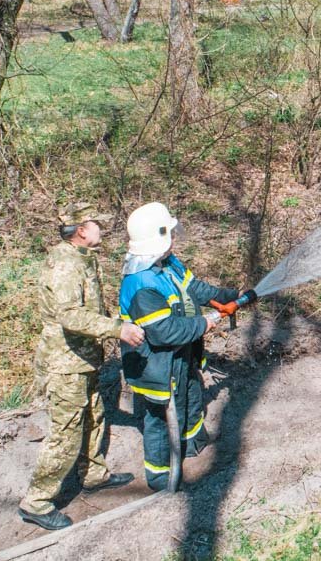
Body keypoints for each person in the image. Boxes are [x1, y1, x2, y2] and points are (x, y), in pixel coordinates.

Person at [19, 203, 146, 531]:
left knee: (93, 414)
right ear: (81, 231)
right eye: (95, 223)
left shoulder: (81, 257)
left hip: (83, 359)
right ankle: (36, 501)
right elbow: (70, 315)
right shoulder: (65, 265)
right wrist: (118, 329)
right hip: (65, 364)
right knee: (66, 432)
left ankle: (93, 474)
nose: (101, 228)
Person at [119, 202, 250, 491]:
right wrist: (204, 324)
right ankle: (160, 476)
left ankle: (193, 444)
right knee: (161, 419)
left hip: (181, 355)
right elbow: (163, 332)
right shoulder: (141, 284)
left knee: (191, 393)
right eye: (170, 232)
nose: (175, 238)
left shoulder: (167, 263)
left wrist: (229, 296)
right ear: (158, 236)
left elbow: (196, 289)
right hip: (156, 364)